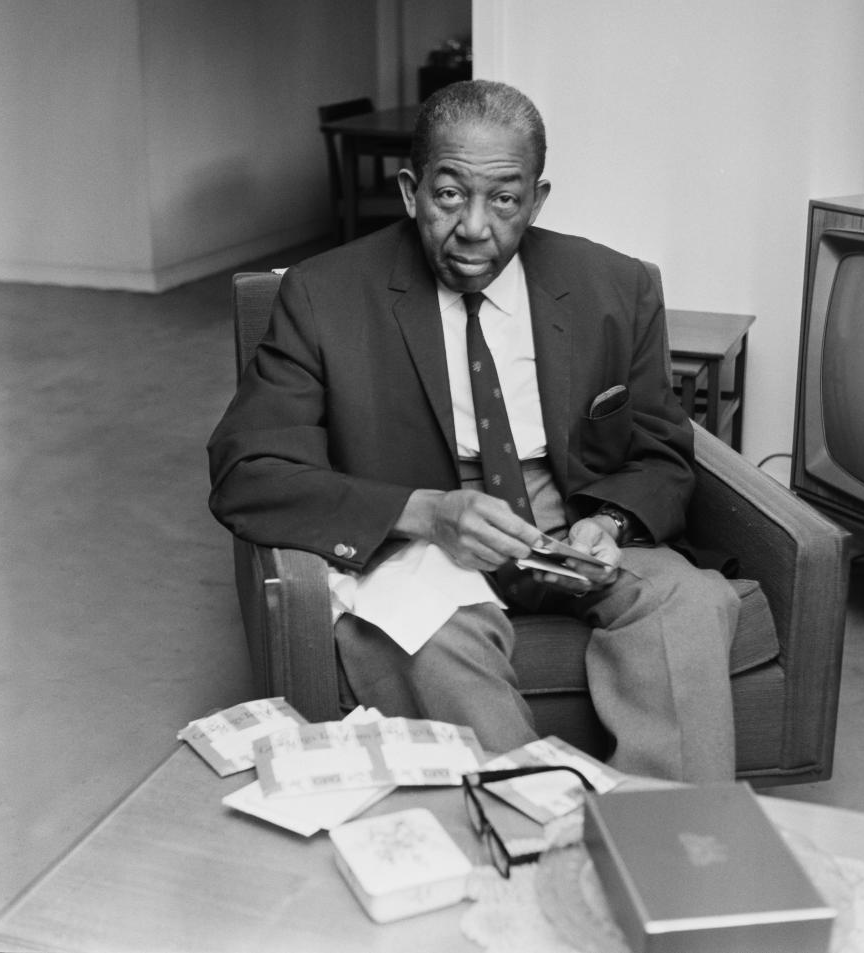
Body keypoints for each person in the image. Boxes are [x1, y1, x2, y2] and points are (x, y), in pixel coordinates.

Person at [208, 80, 739, 782]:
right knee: (428, 634)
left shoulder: (615, 286)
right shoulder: (324, 293)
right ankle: (535, 832)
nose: (476, 226)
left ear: (537, 200)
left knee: (689, 599)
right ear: (411, 191)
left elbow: (662, 451)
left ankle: (672, 847)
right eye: (450, 194)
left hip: (566, 525)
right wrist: (428, 512)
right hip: (423, 540)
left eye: (505, 199)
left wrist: (609, 519)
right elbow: (250, 472)